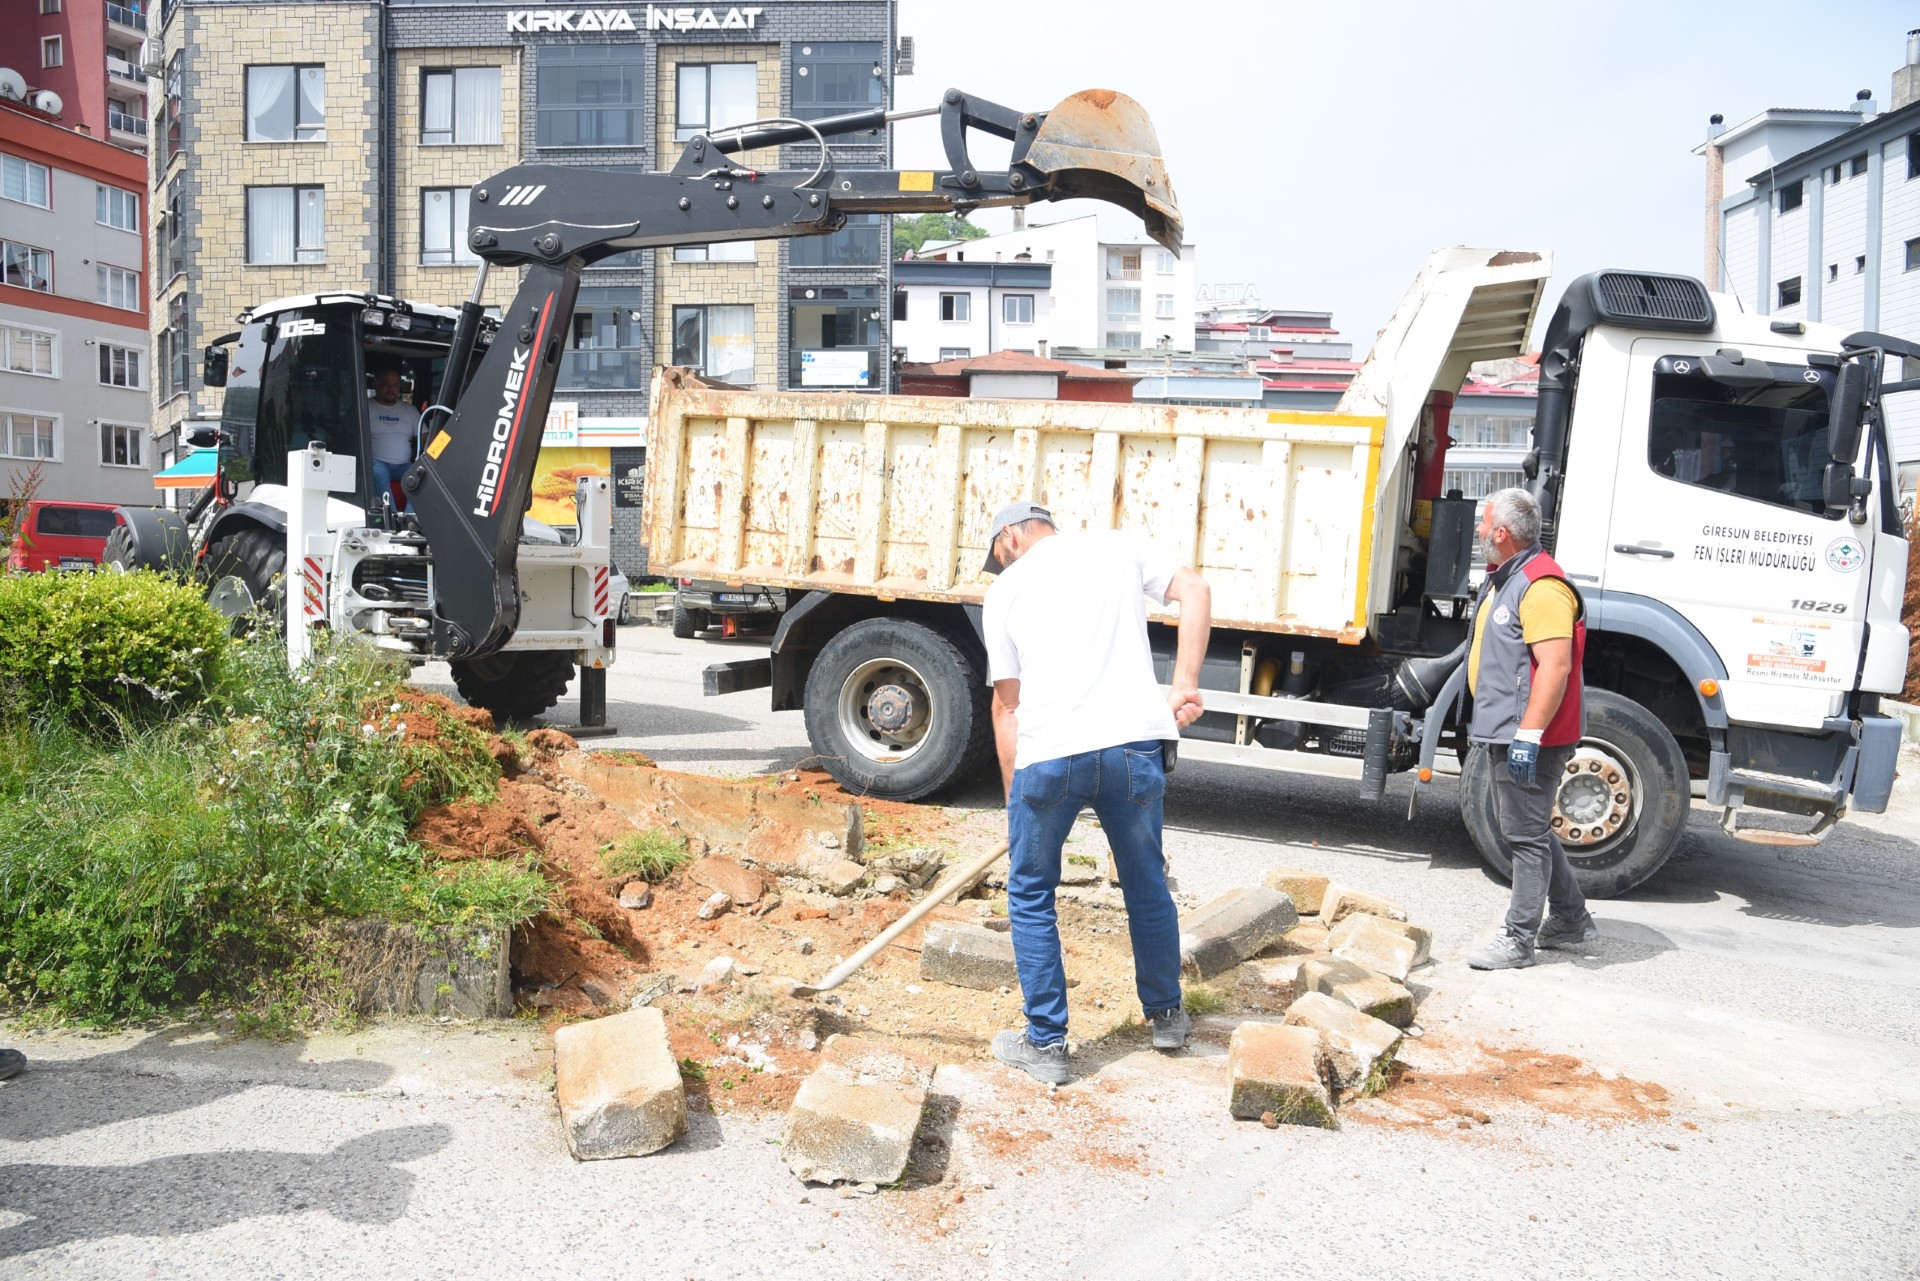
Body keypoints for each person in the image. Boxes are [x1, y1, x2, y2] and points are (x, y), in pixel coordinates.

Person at [980, 501, 1213, 1084]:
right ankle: (1166, 1017)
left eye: (998, 555)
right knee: (1146, 882)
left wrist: (1015, 804)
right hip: (1133, 747)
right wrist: (1184, 683)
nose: (1000, 564)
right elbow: (1196, 589)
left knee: (1031, 892)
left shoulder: (1005, 593)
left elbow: (1007, 707)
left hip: (1049, 754)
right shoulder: (1117, 546)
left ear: (1010, 536)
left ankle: (1047, 1046)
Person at [1464, 487, 1598, 970]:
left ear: (1500, 534)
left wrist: (1528, 735)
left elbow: (1556, 667)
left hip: (1527, 736)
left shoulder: (1541, 586)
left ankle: (1519, 939)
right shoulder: (1511, 577)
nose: (1478, 530)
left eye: (1483, 524)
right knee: (1531, 830)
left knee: (1523, 836)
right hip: (1508, 727)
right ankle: (1570, 918)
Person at [368, 368, 421, 511]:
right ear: (376, 384)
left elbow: (426, 438)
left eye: (395, 385)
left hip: (404, 465)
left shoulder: (410, 411)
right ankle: (390, 520)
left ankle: (411, 520)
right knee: (378, 473)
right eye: (386, 384)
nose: (391, 389)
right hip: (377, 463)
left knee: (423, 476)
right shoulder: (365, 407)